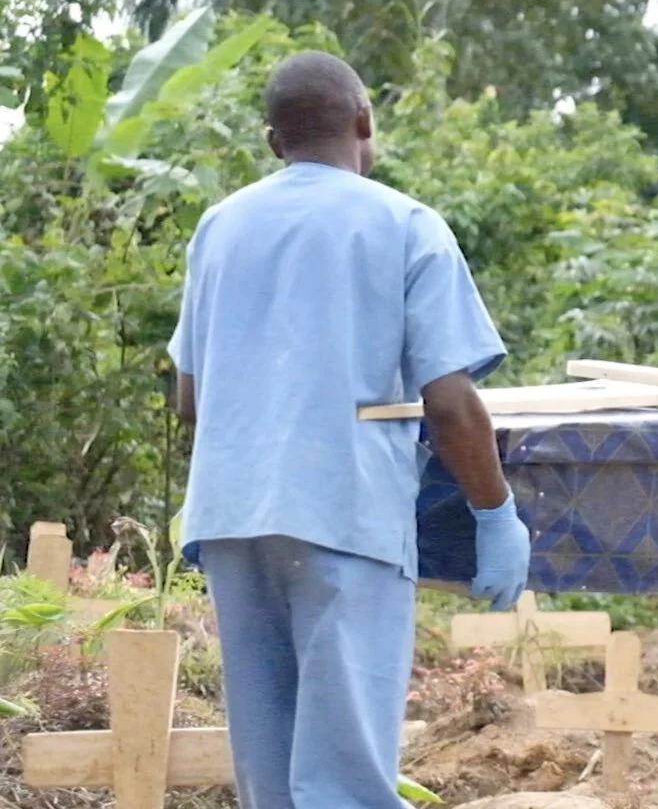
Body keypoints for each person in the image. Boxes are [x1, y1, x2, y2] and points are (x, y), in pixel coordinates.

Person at [168, 51, 529, 809]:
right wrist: (495, 515)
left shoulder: (220, 226)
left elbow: (191, 399)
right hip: (344, 514)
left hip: (233, 518)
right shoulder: (404, 225)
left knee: (271, 777)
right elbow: (452, 403)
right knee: (346, 779)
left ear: (274, 142)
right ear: (365, 123)